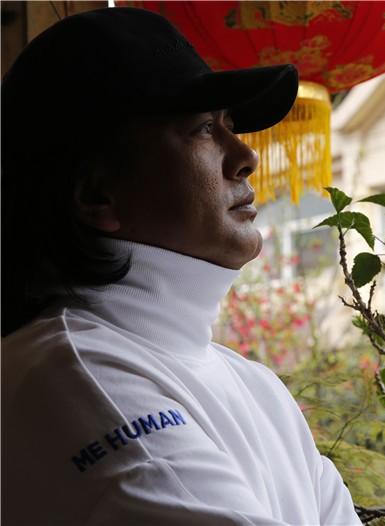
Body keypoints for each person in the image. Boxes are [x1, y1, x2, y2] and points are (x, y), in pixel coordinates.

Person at [1, 7, 360, 525]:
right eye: (204, 129)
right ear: (96, 193)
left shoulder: (258, 388)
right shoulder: (75, 376)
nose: (246, 156)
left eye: (229, 124)